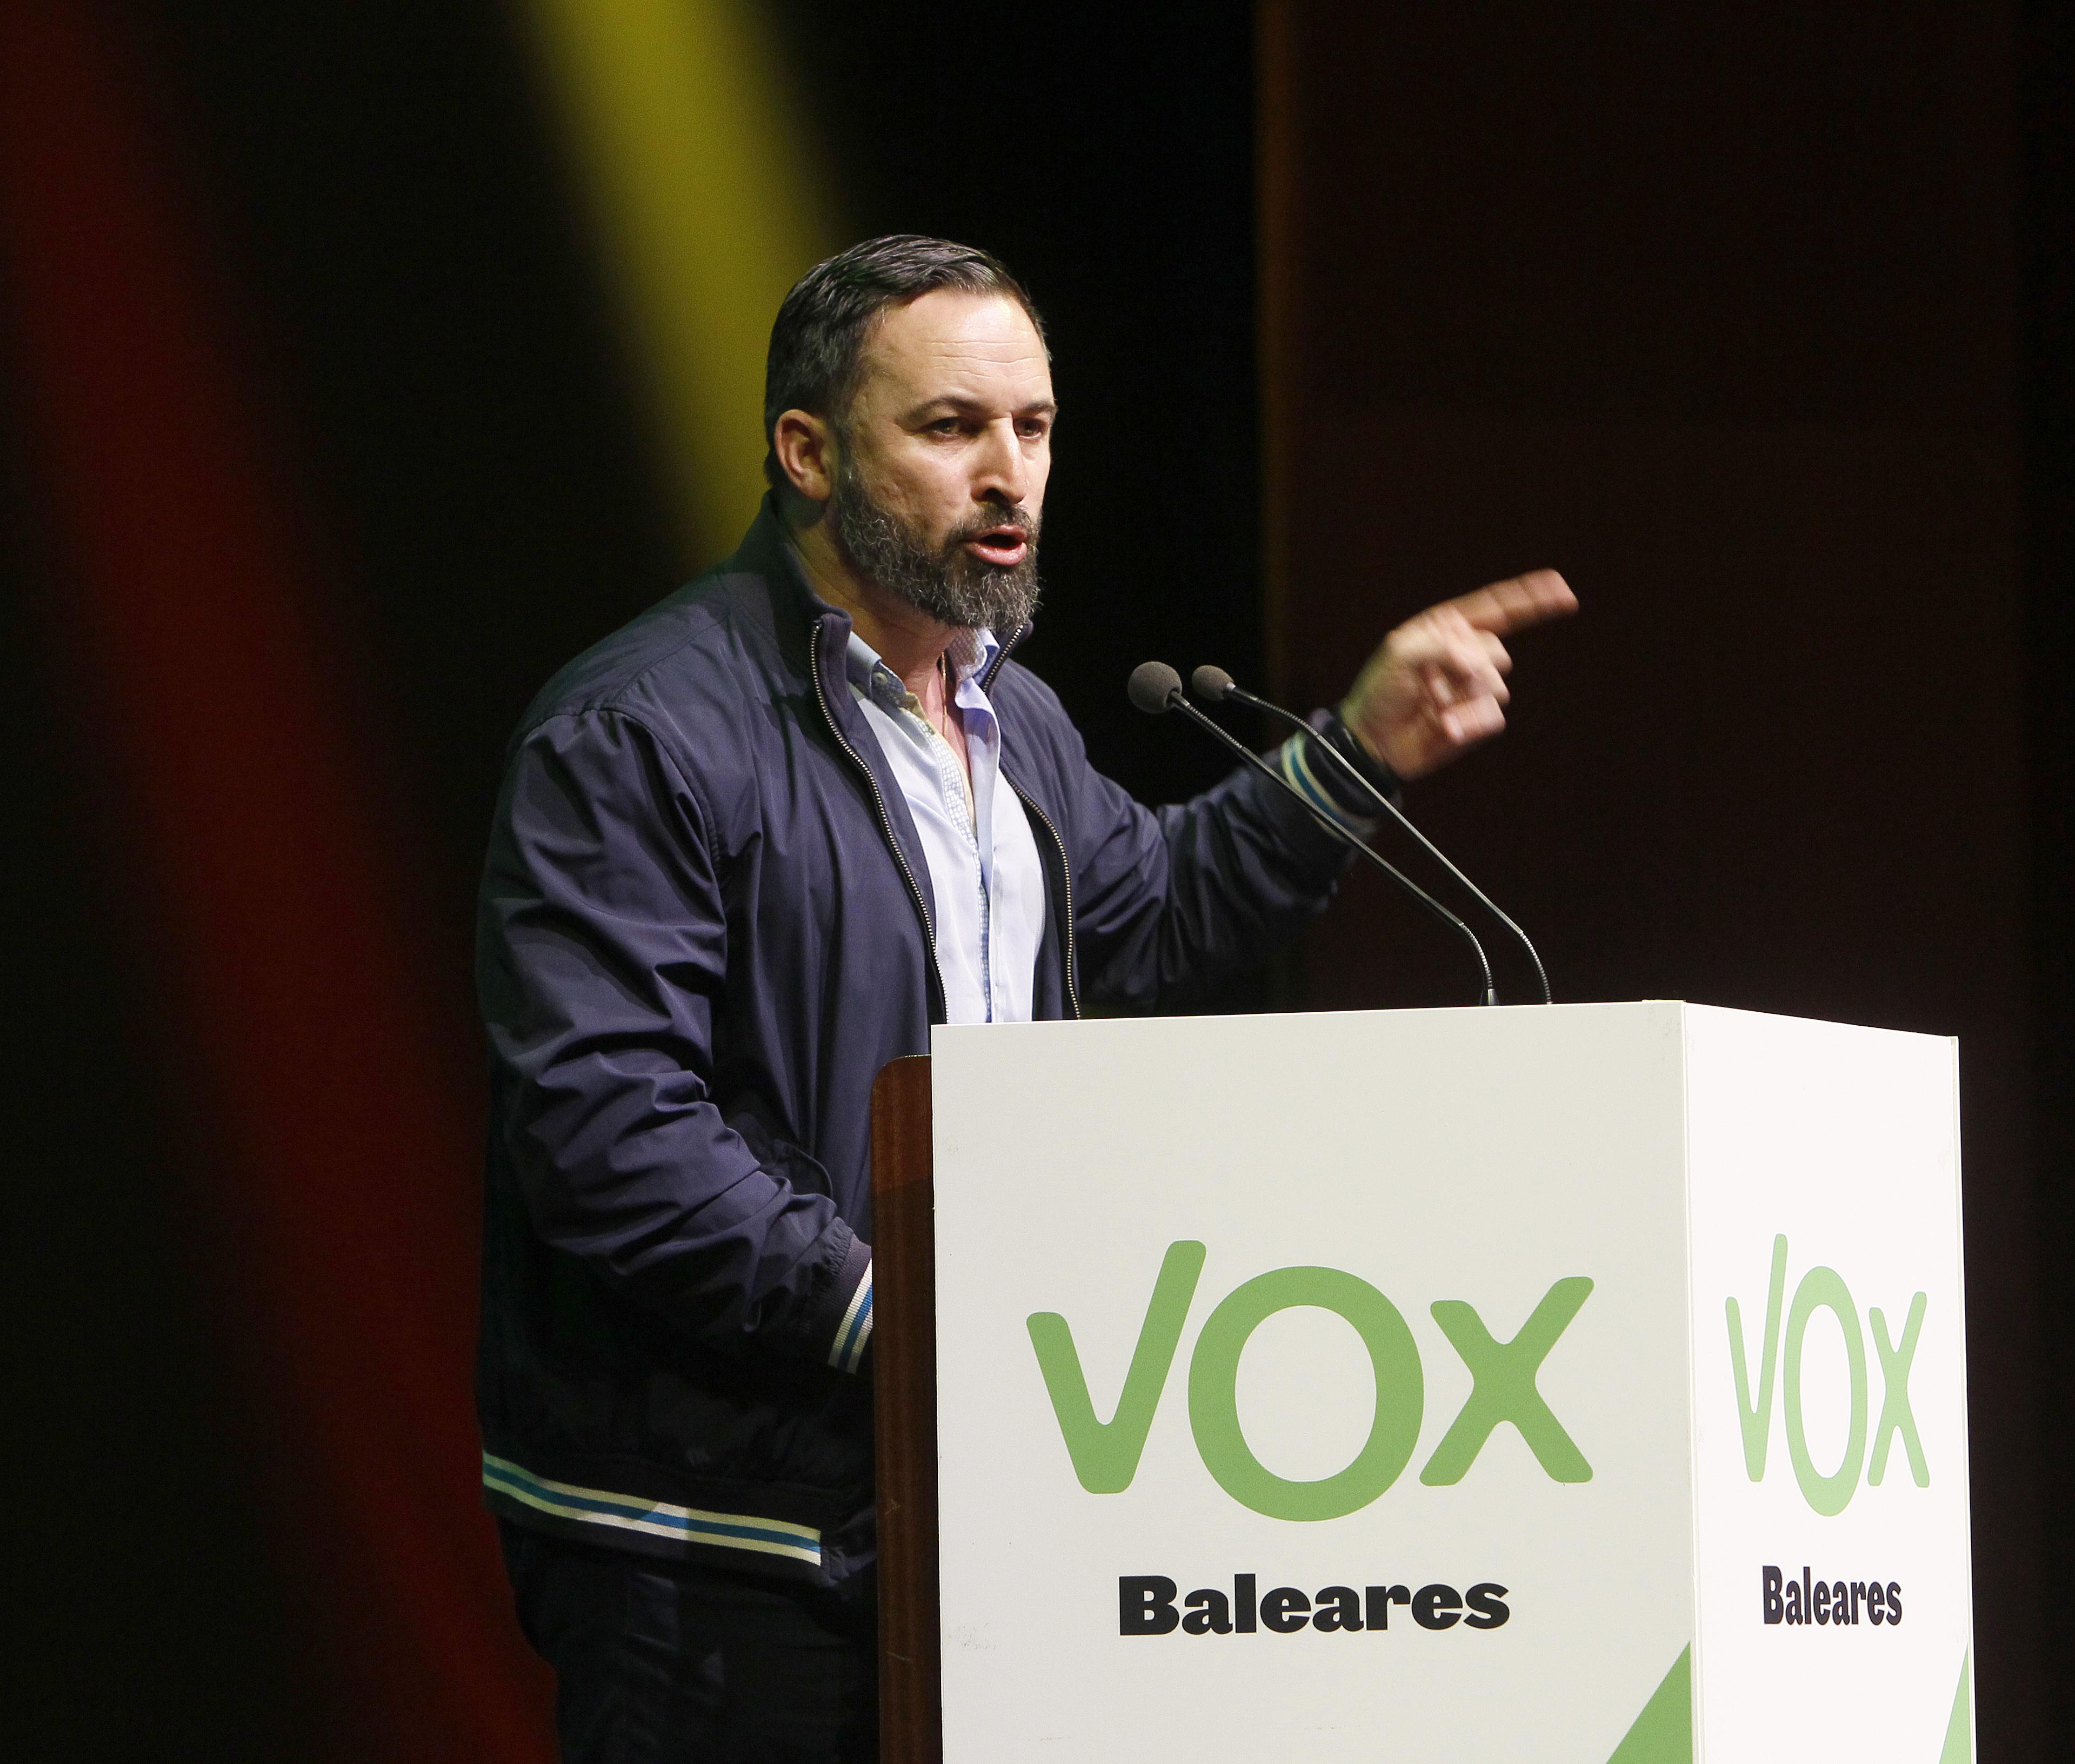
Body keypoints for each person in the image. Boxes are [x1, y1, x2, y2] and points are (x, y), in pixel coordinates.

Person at [474, 235, 1574, 1761]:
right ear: (808, 453)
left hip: (963, 1512)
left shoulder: (1013, 722)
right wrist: (894, 1312)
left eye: (1034, 429)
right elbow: (607, 1130)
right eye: (950, 428)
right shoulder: (639, 732)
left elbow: (1161, 909)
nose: (1010, 475)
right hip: (713, 1540)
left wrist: (1357, 750)